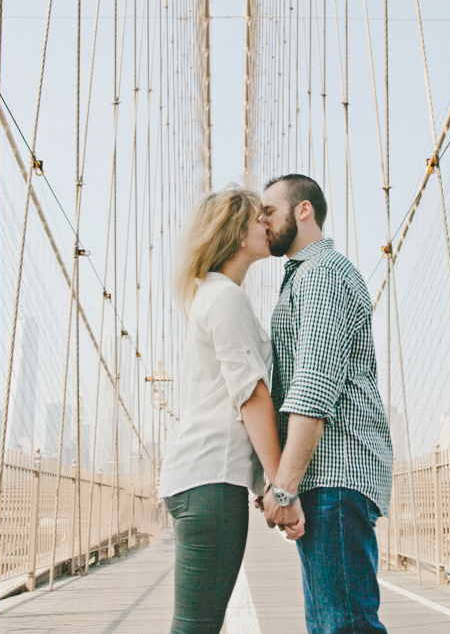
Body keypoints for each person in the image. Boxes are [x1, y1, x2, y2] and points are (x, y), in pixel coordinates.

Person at [159, 188, 304, 634]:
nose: (269, 224)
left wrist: (263, 483)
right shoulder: (225, 298)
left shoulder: (216, 296)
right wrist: (283, 490)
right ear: (239, 233)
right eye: (260, 218)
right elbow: (253, 396)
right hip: (210, 485)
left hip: (205, 481)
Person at [260, 174, 394, 634]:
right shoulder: (307, 276)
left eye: (269, 211)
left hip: (336, 476)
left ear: (303, 211)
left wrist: (282, 488)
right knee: (333, 625)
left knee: (344, 626)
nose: (262, 221)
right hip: (325, 479)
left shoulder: (321, 275)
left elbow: (313, 389)